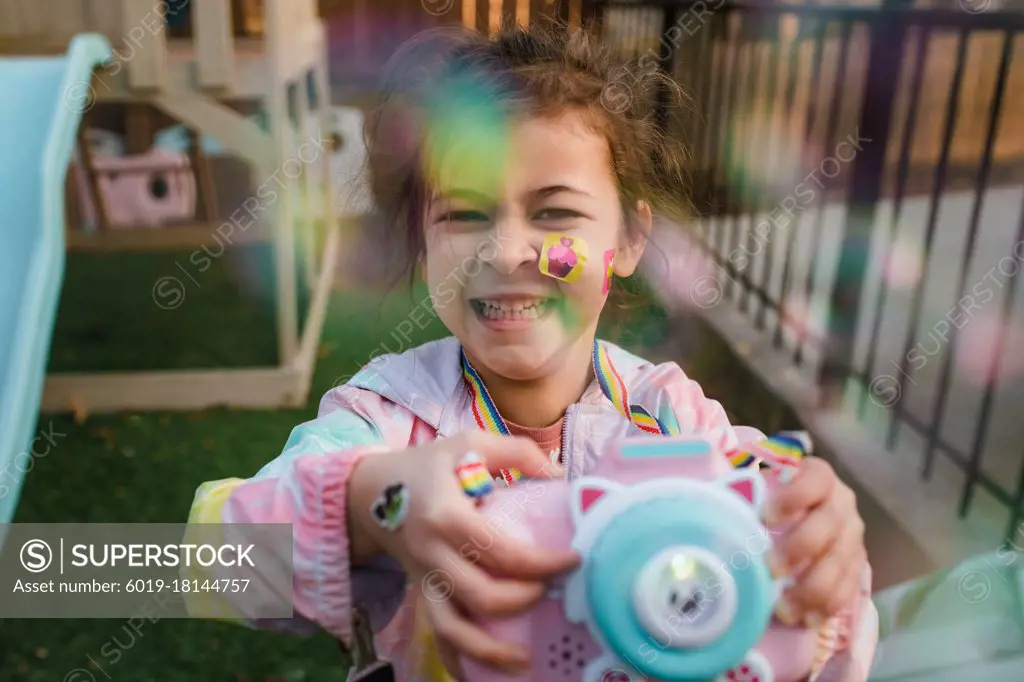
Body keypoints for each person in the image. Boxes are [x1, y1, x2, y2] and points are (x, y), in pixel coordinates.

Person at [186, 20, 877, 682]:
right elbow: (208, 564)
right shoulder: (383, 419)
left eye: (554, 211)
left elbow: (812, 621)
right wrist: (374, 503)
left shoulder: (674, 418)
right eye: (462, 213)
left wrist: (823, 552)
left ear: (630, 241)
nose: (507, 250)